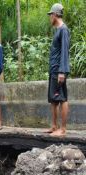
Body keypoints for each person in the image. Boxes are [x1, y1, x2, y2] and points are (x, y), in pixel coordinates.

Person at [46, 3, 70, 136]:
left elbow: (65, 52)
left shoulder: (63, 30)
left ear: (55, 15)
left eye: (51, 15)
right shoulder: (58, 30)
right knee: (53, 99)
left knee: (62, 98)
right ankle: (54, 126)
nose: (50, 17)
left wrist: (62, 71)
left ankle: (63, 129)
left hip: (59, 71)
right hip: (54, 70)